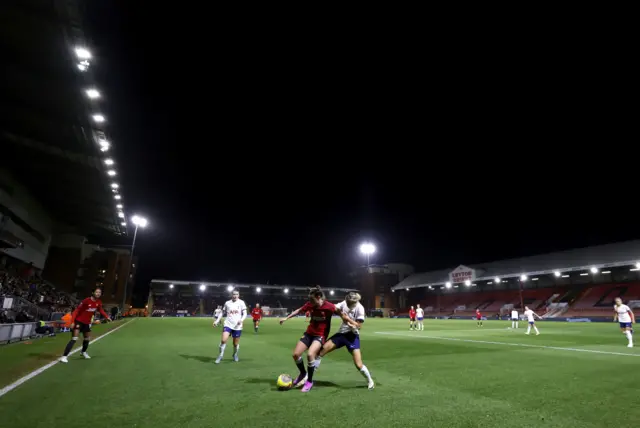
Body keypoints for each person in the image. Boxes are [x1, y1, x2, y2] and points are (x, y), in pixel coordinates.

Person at [279, 286, 358, 393]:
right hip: (309, 333)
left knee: (310, 355)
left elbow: (341, 314)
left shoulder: (329, 306)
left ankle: (309, 381)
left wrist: (350, 322)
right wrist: (286, 318)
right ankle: (303, 373)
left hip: (320, 335)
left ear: (319, 297)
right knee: (296, 354)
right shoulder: (310, 304)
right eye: (310, 300)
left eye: (312, 300)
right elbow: (299, 310)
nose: (310, 302)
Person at [315, 292, 374, 389]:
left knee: (358, 364)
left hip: (352, 336)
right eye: (347, 303)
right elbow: (334, 307)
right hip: (341, 334)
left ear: (354, 303)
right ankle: (307, 378)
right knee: (320, 352)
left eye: (349, 304)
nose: (347, 305)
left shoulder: (360, 308)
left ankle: (370, 381)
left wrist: (349, 320)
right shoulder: (344, 303)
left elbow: (359, 326)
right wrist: (323, 303)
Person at [59, 288, 111, 363]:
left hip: (87, 323)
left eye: (100, 292)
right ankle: (64, 357)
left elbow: (101, 310)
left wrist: (107, 317)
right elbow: (76, 311)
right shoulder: (86, 300)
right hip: (78, 322)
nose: (98, 293)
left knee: (87, 338)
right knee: (74, 339)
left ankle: (83, 352)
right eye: (97, 292)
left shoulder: (98, 302)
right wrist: (72, 322)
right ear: (93, 292)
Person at [213, 290, 247, 363]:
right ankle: (220, 355)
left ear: (239, 295)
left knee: (235, 344)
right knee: (223, 340)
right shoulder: (227, 303)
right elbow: (222, 312)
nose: (235, 296)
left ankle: (235, 354)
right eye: (233, 294)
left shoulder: (241, 302)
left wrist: (241, 320)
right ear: (231, 295)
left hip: (237, 326)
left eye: (236, 294)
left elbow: (245, 314)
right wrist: (217, 321)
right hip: (228, 324)